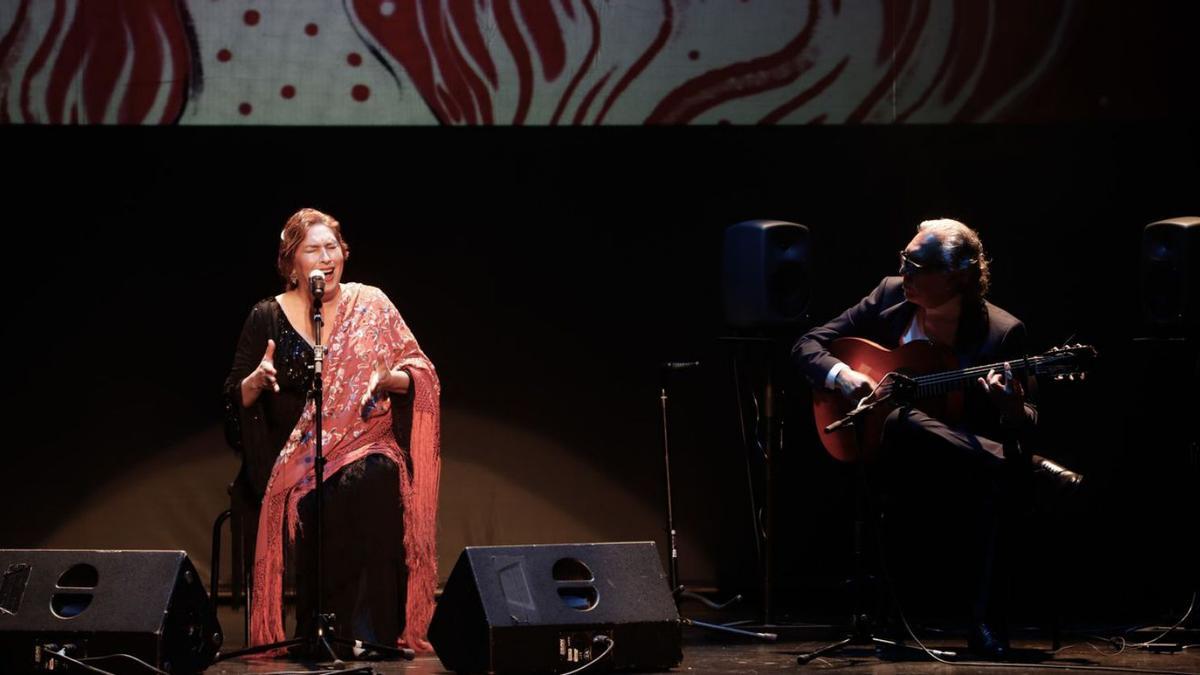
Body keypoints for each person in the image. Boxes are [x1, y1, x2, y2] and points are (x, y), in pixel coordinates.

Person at [792, 218, 1033, 659]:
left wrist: (1010, 406)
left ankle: (983, 625)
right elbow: (808, 344)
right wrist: (843, 376)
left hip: (959, 466)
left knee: (920, 432)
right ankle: (1022, 467)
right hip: (884, 457)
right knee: (901, 422)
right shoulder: (889, 295)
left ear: (958, 276)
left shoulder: (1002, 333)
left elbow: (1027, 418)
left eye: (916, 266)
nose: (904, 273)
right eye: (903, 261)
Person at [223, 208, 440, 654]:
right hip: (291, 457)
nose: (326, 257)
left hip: (365, 442)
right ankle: (319, 632)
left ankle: (371, 633)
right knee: (327, 488)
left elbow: (421, 373)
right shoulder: (266, 316)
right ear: (291, 263)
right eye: (312, 249)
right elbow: (234, 392)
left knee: (375, 476)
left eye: (332, 247)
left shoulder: (372, 304)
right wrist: (256, 383)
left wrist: (389, 379)